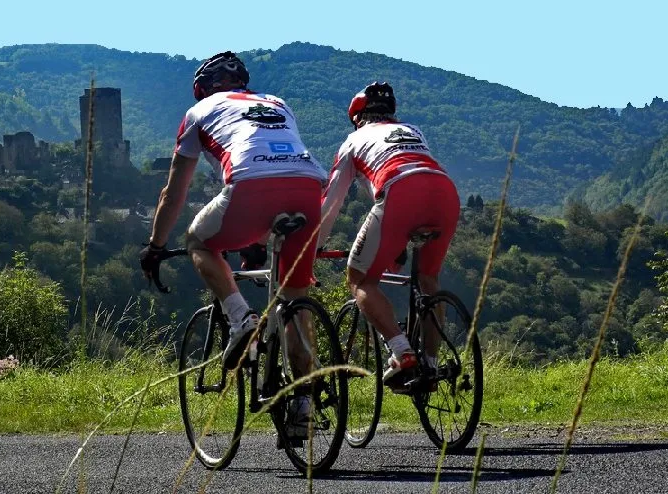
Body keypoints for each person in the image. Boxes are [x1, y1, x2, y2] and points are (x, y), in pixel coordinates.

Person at [138, 51, 328, 434]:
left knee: (198, 241)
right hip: (310, 188)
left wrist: (156, 245)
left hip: (250, 185)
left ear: (202, 89)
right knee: (295, 301)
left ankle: (241, 318)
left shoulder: (198, 113)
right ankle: (303, 404)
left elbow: (173, 193)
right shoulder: (277, 102)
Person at [318, 82, 460, 392]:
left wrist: (312, 247)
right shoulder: (413, 130)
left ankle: (401, 351)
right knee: (428, 280)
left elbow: (331, 203)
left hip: (399, 192)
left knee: (359, 279)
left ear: (357, 118)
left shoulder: (352, 141)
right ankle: (430, 364)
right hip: (445, 191)